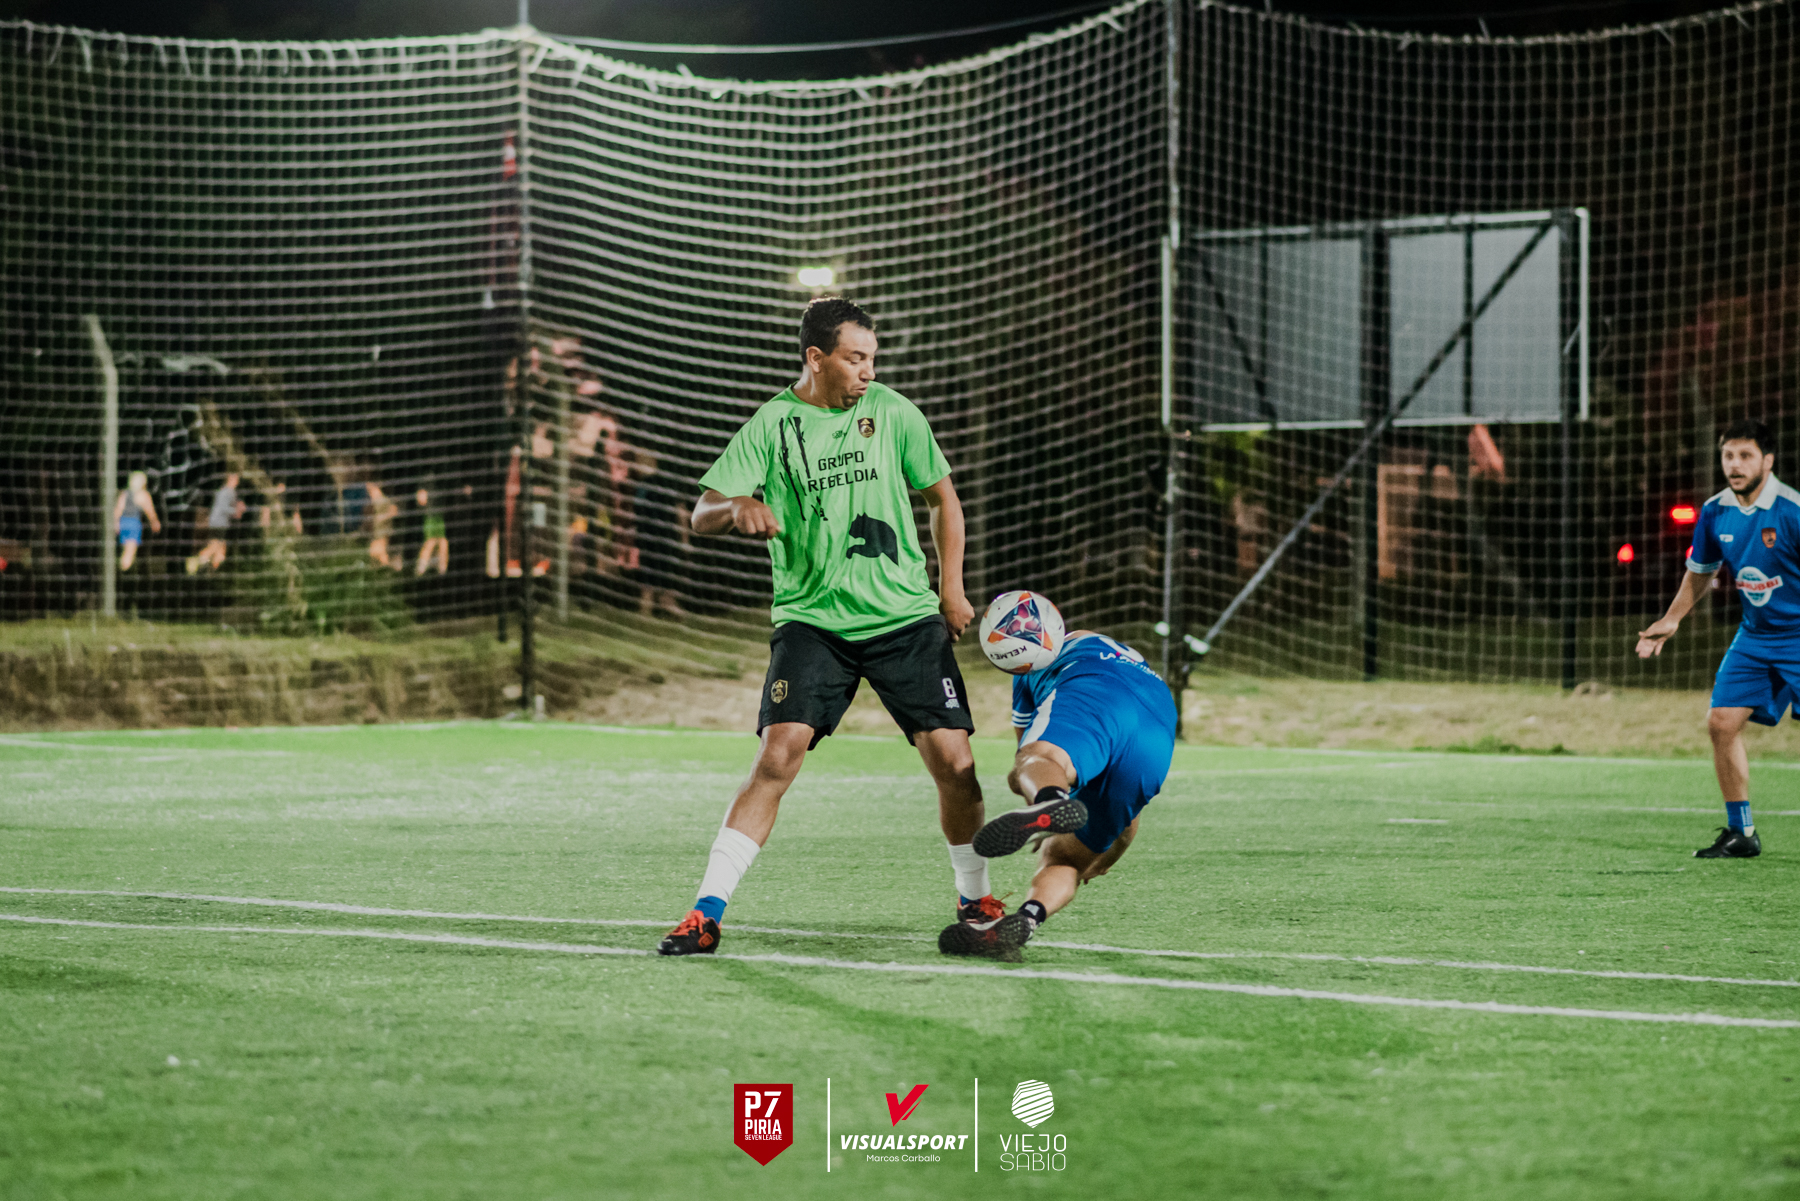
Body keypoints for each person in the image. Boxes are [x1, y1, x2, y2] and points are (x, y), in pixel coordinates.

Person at [657, 296, 989, 956]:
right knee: (776, 757)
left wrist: (950, 589)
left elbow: (942, 499)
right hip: (813, 622)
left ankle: (974, 898)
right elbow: (702, 513)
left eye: (873, 358)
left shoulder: (893, 412)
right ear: (816, 357)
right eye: (855, 358)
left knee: (957, 764)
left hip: (903, 618)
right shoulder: (772, 424)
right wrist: (738, 507)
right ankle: (705, 912)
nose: (869, 371)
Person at [940, 610, 1177, 962]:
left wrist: (1043, 798)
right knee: (1067, 859)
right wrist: (1104, 854)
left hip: (1097, 690)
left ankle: (1050, 800)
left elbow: (1032, 756)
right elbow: (1127, 824)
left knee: (1033, 763)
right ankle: (1026, 920)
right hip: (1159, 723)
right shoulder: (1092, 641)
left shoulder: (1027, 673)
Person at [1636, 417, 1799, 859]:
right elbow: (1700, 572)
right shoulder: (1715, 511)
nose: (1734, 464)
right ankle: (1741, 832)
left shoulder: (1792, 511)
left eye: (1745, 455)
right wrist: (1671, 620)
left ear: (1768, 460)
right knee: (1721, 723)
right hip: (1754, 637)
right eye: (1728, 456)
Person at [186, 472, 245, 574]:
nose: (237, 481)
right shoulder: (226, 492)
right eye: (234, 479)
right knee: (214, 546)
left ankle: (211, 572)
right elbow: (222, 507)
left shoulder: (229, 491)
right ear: (229, 480)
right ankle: (195, 562)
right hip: (218, 523)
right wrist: (235, 510)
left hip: (221, 523)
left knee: (221, 550)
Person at [112, 471, 161, 572]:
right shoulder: (143, 495)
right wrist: (154, 522)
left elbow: (118, 509)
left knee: (125, 550)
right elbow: (149, 510)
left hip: (123, 523)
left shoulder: (124, 493)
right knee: (129, 552)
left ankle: (120, 571)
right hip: (133, 524)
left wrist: (116, 523)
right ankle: (120, 572)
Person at [415, 482, 449, 575]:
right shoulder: (426, 481)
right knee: (431, 541)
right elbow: (421, 499)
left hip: (440, 516)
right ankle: (420, 569)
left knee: (443, 542)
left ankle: (442, 570)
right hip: (430, 516)